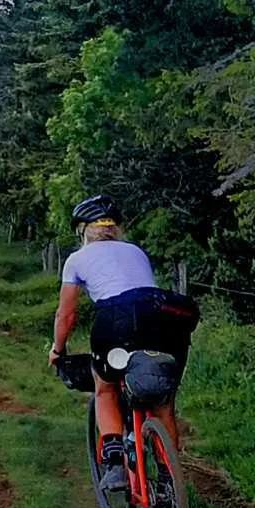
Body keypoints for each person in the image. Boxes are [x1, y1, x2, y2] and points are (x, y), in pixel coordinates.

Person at [47, 195, 193, 491]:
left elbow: (67, 314)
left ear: (83, 231)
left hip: (117, 318)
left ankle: (114, 464)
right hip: (163, 315)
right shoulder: (136, 251)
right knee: (163, 402)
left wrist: (58, 349)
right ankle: (169, 482)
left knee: (106, 388)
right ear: (116, 229)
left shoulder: (77, 259)